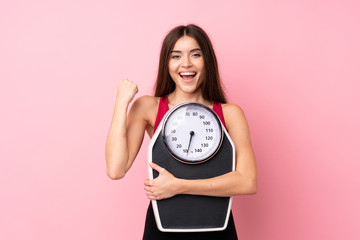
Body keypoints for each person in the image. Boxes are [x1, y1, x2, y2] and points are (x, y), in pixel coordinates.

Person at [105, 24, 257, 240]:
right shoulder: (149, 108)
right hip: (163, 227)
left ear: (207, 62)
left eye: (195, 55)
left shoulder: (230, 114)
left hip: (217, 227)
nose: (186, 64)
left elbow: (247, 181)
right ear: (166, 64)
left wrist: (177, 186)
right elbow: (115, 169)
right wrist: (121, 102)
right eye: (176, 56)